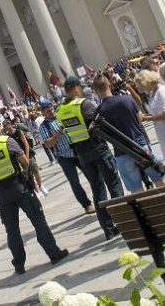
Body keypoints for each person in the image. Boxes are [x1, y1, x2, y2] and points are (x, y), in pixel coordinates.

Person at [0, 115, 69, 274]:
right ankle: (53, 253)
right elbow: (25, 163)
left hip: (1, 193)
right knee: (38, 220)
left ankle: (19, 264)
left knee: (12, 230)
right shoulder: (7, 142)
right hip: (19, 187)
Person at [56, 76, 124, 240]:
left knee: (97, 189)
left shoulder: (61, 110)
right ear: (75, 88)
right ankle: (124, 221)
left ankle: (108, 229)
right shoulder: (83, 104)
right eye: (79, 86)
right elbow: (100, 122)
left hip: (81, 152)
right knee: (114, 183)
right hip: (97, 148)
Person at [93, 75, 165, 193]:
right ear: (109, 85)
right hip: (142, 148)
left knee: (136, 191)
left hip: (122, 153)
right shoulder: (126, 99)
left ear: (96, 91)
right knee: (161, 182)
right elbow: (140, 118)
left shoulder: (99, 112)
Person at [38, 101, 94, 214]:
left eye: (51, 108)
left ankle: (99, 198)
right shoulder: (44, 126)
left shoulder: (61, 116)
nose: (51, 111)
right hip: (64, 157)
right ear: (43, 113)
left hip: (77, 151)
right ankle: (87, 205)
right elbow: (48, 144)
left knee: (91, 175)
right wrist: (58, 133)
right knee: (74, 182)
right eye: (48, 111)